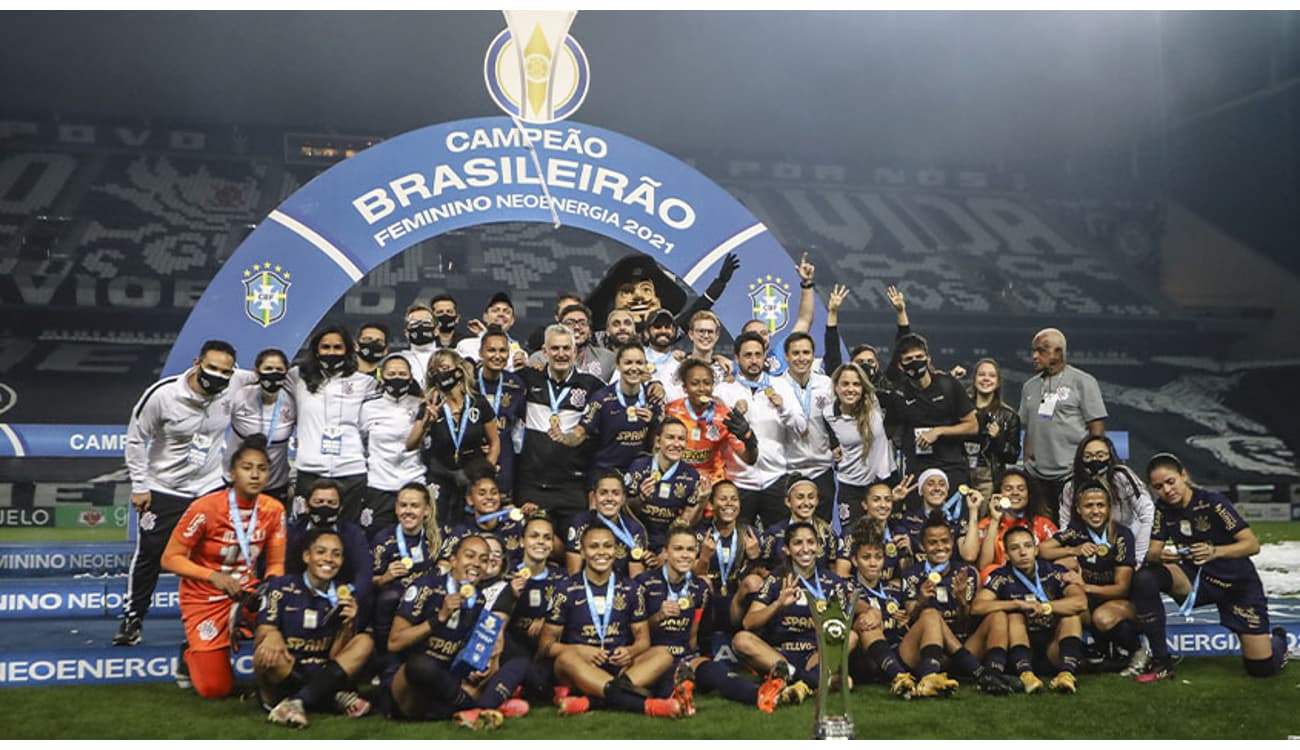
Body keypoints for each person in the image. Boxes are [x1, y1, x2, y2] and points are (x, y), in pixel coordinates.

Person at [118, 339, 243, 646]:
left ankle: (221, 621)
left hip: (209, 486)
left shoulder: (237, 384)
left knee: (220, 556)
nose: (218, 375)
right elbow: (136, 439)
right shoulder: (164, 395)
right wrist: (139, 485)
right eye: (212, 367)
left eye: (225, 371)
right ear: (197, 362)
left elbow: (271, 372)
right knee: (150, 555)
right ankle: (133, 618)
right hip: (164, 488)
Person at [1129, 452, 1290, 681]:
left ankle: (1279, 642)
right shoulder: (1162, 509)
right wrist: (1160, 555)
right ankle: (1161, 661)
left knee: (1260, 669)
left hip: (1237, 585)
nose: (1166, 490)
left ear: (1184, 475)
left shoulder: (1213, 502)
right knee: (1145, 577)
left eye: (1170, 481)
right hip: (1197, 581)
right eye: (1158, 486)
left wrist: (1215, 552)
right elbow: (1153, 551)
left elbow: (1252, 545)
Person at [161, 434, 287, 698]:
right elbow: (170, 558)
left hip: (247, 591)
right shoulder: (205, 507)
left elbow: (275, 564)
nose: (255, 475)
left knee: (287, 613)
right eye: (247, 468)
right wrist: (211, 576)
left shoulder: (274, 510)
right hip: (204, 595)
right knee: (215, 690)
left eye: (262, 469)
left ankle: (270, 676)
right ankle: (190, 653)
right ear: (232, 472)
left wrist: (269, 590)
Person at [538, 525, 687, 718]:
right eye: (594, 546)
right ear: (582, 552)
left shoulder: (632, 589)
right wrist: (578, 649)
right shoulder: (565, 590)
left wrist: (630, 651)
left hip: (620, 667)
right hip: (582, 666)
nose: (601, 552)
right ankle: (648, 706)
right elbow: (545, 646)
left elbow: (643, 641)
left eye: (607, 546)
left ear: (615, 551)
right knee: (566, 659)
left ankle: (593, 700)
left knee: (664, 654)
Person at [387, 535, 525, 726]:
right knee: (421, 665)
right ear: (453, 561)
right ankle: (478, 705)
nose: (477, 563)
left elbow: (465, 650)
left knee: (518, 662)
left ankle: (474, 708)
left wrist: (480, 667)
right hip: (411, 686)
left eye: (483, 560)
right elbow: (394, 643)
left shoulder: (478, 600)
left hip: (448, 680)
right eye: (470, 556)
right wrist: (439, 618)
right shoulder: (426, 588)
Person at [256, 527, 374, 727]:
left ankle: (297, 702)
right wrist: (272, 634)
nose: (329, 559)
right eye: (321, 552)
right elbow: (263, 631)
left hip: (323, 670)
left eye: (336, 554)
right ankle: (331, 698)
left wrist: (348, 625)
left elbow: (336, 656)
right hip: (287, 667)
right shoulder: (280, 586)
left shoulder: (344, 595)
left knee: (365, 641)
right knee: (265, 650)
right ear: (306, 556)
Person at [897, 512, 1016, 696]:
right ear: (922, 546)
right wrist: (921, 601)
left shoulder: (966, 572)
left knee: (997, 616)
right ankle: (932, 676)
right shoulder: (912, 574)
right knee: (930, 615)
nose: (940, 547)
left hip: (960, 648)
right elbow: (910, 621)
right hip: (923, 651)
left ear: (952, 543)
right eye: (933, 543)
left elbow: (966, 623)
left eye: (945, 541)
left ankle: (993, 675)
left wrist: (962, 602)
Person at [734, 522, 852, 706]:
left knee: (850, 636)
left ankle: (800, 680)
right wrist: (778, 604)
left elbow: (841, 629)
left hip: (815, 655)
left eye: (811, 542)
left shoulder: (833, 582)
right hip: (778, 655)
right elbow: (749, 623)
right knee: (741, 640)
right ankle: (808, 680)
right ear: (787, 549)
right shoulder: (775, 579)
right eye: (798, 543)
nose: (805, 549)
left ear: (819, 547)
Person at [974, 525, 1088, 694]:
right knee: (1014, 616)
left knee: (1071, 616)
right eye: (1014, 548)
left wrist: (1046, 607)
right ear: (1006, 555)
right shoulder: (1000, 576)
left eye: (1027, 546)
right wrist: (1016, 604)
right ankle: (1026, 675)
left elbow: (1080, 602)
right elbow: (977, 607)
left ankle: (1066, 674)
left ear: (1035, 550)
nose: (1022, 552)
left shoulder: (1053, 572)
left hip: (1053, 648)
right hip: (1019, 649)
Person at [1039, 480, 1141, 669]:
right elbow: (1043, 550)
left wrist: (1083, 586)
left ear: (1109, 508)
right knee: (1069, 607)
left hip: (1120, 601)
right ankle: (1091, 653)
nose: (1095, 511)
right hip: (1090, 601)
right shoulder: (1076, 531)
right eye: (1089, 506)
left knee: (1102, 617)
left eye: (1100, 505)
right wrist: (1073, 551)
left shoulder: (1122, 535)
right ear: (1078, 509)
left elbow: (1121, 588)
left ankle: (1140, 650)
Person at [516, 324, 605, 530]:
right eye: (555, 348)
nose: (561, 354)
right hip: (532, 486)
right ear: (544, 351)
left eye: (566, 348)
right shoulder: (528, 379)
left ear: (575, 352)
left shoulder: (592, 386)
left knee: (573, 549)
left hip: (571, 487)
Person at [288, 324, 379, 522]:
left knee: (347, 535)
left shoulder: (364, 383)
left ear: (347, 349)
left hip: (351, 471)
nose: (331, 352)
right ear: (316, 350)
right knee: (305, 534)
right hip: (310, 470)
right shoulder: (297, 377)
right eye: (325, 347)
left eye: (337, 347)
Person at [716, 332, 807, 526]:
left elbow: (801, 426)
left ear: (765, 356)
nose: (754, 360)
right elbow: (715, 434)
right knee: (740, 541)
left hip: (775, 479)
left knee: (779, 542)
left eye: (758, 354)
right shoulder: (724, 390)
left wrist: (783, 408)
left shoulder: (780, 386)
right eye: (748, 355)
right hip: (738, 481)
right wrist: (732, 417)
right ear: (736, 358)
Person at [1019, 327, 1107, 525]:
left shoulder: (1083, 382)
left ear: (1057, 353)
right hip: (1037, 476)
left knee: (1073, 528)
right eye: (1033, 351)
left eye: (1040, 350)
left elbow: (1097, 426)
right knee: (1042, 527)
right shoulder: (1029, 386)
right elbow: (1029, 429)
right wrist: (1026, 463)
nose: (1034, 356)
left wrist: (1091, 466)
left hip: (1072, 474)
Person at [408, 349, 500, 527]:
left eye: (444, 367)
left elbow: (494, 441)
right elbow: (411, 444)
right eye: (434, 371)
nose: (440, 374)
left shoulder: (478, 402)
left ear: (458, 371)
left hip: (473, 474)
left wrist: (487, 472)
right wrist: (426, 421)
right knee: (437, 523)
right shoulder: (430, 405)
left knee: (472, 524)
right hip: (441, 474)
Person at [882, 332, 977, 489]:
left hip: (951, 467)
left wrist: (938, 431)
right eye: (909, 359)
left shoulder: (949, 385)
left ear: (928, 359)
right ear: (900, 365)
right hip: (917, 470)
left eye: (919, 357)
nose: (915, 362)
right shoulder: (898, 395)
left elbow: (973, 426)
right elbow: (887, 432)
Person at [284, 479, 375, 632]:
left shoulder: (353, 533)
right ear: (306, 505)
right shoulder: (293, 532)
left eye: (331, 503)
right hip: (298, 595)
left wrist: (349, 597)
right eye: (319, 501)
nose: (324, 507)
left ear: (340, 508)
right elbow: (283, 569)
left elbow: (364, 574)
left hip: (340, 597)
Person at [370, 482, 442, 672]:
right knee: (388, 598)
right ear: (396, 508)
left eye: (414, 506)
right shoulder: (383, 539)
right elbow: (369, 581)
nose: (408, 511)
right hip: (395, 601)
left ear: (426, 510)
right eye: (403, 505)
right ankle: (388, 661)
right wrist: (385, 577)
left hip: (428, 599)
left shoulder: (437, 538)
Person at [559, 343, 660, 475]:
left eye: (639, 363)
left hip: (639, 474)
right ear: (618, 366)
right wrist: (565, 438)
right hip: (605, 472)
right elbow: (580, 433)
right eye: (628, 362)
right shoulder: (601, 398)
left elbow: (662, 439)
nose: (634, 368)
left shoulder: (652, 398)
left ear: (646, 366)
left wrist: (653, 421)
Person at [1057, 434, 1155, 564]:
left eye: (1100, 455)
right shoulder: (1071, 485)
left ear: (1110, 457)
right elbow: (1065, 525)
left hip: (1127, 542)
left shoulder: (1122, 476)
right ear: (1080, 459)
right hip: (1087, 547)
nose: (1094, 460)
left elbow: (1147, 513)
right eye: (1088, 456)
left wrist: (1137, 559)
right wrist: (1075, 553)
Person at [359, 354, 426, 536]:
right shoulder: (368, 408)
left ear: (410, 377)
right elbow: (360, 444)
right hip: (379, 485)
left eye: (402, 374)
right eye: (392, 373)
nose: (397, 378)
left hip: (414, 481)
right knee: (375, 539)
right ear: (382, 376)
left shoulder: (422, 405)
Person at [663, 358, 757, 486]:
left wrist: (748, 438)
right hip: (676, 480)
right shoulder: (670, 411)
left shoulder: (725, 416)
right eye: (695, 383)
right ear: (685, 388)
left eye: (707, 383)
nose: (702, 388)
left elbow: (749, 459)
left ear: (713, 386)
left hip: (711, 482)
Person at [823, 363, 893, 533]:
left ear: (863, 387)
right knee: (851, 538)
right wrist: (834, 447)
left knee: (880, 537)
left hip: (879, 484)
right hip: (849, 487)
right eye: (845, 384)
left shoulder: (874, 405)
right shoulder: (828, 414)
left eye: (856, 384)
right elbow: (832, 439)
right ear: (836, 387)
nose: (850, 389)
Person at [692, 480, 765, 637]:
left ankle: (752, 638)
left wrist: (755, 558)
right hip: (708, 599)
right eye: (723, 498)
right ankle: (702, 643)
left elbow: (763, 575)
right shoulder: (699, 533)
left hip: (736, 600)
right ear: (711, 505)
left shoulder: (749, 533)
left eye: (734, 499)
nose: (729, 504)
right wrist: (704, 557)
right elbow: (693, 576)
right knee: (703, 582)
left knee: (755, 582)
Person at [223, 347, 296, 503]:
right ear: (257, 372)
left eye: (279, 369)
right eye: (268, 368)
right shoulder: (241, 395)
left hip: (275, 486)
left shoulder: (293, 401)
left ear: (286, 373)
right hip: (236, 483)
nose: (273, 373)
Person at [624, 418, 706, 555]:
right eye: (670, 438)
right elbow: (625, 510)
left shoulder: (691, 476)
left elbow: (687, 521)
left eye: (681, 439)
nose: (676, 444)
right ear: (657, 442)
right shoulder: (639, 467)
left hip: (668, 542)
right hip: (635, 537)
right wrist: (641, 498)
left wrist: (667, 552)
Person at [780, 332, 837, 522]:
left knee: (823, 531)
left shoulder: (827, 385)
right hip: (789, 470)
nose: (801, 358)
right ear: (786, 356)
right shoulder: (776, 387)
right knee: (790, 533)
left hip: (821, 468)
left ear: (813, 356)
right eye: (795, 353)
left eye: (806, 352)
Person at [976, 467, 1059, 581]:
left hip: (1038, 579)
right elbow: (984, 566)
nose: (1015, 493)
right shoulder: (986, 525)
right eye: (1008, 488)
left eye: (1021, 489)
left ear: (1029, 494)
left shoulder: (1043, 525)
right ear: (998, 494)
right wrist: (995, 520)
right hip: (1002, 583)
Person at [758, 476, 850, 578]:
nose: (806, 503)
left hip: (818, 591)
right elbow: (762, 570)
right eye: (800, 497)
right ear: (788, 502)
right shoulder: (773, 534)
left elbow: (834, 571)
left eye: (811, 497)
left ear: (817, 501)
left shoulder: (828, 534)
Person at [565, 470, 650, 578]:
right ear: (594, 497)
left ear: (623, 498)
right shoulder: (580, 523)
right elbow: (574, 575)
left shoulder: (633, 528)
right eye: (603, 493)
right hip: (585, 590)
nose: (609, 498)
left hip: (621, 591)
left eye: (615, 493)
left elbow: (636, 580)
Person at [475, 326, 527, 501]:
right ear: (481, 353)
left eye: (503, 351)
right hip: (472, 457)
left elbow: (520, 426)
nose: (497, 356)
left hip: (504, 458)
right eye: (491, 350)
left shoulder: (516, 384)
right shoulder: (469, 382)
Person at [441, 467, 528, 569]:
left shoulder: (514, 527)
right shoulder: (460, 533)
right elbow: (446, 563)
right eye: (482, 493)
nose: (489, 497)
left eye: (494, 492)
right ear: (470, 500)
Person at [964, 358, 1021, 500]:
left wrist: (998, 438)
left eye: (991, 375)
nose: (986, 379)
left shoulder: (1009, 415)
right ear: (974, 379)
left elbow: (1013, 456)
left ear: (998, 382)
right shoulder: (962, 409)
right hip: (961, 473)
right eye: (982, 374)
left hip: (989, 478)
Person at [899, 468, 981, 564]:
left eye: (942, 484)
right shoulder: (909, 519)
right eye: (930, 484)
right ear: (921, 491)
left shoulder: (957, 519)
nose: (937, 488)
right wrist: (894, 500)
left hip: (952, 574)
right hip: (919, 574)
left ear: (947, 490)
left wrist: (973, 510)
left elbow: (969, 556)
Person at [848, 480, 915, 584]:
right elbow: (842, 575)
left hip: (890, 595)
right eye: (876, 500)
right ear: (865, 504)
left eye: (888, 500)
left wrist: (908, 553)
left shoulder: (898, 531)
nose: (883, 505)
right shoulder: (851, 533)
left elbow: (905, 576)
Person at [529, 302, 614, 382]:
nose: (577, 327)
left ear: (590, 331)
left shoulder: (607, 358)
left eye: (582, 323)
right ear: (560, 328)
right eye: (570, 323)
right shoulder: (539, 358)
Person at [456, 291, 527, 371]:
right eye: (495, 310)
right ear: (485, 317)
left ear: (512, 320)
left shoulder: (519, 354)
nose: (501, 314)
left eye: (506, 311)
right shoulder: (465, 345)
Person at [398, 303, 441, 390]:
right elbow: (379, 376)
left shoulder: (451, 356)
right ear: (406, 333)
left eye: (426, 322)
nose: (420, 326)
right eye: (414, 324)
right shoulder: (396, 359)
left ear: (436, 331)